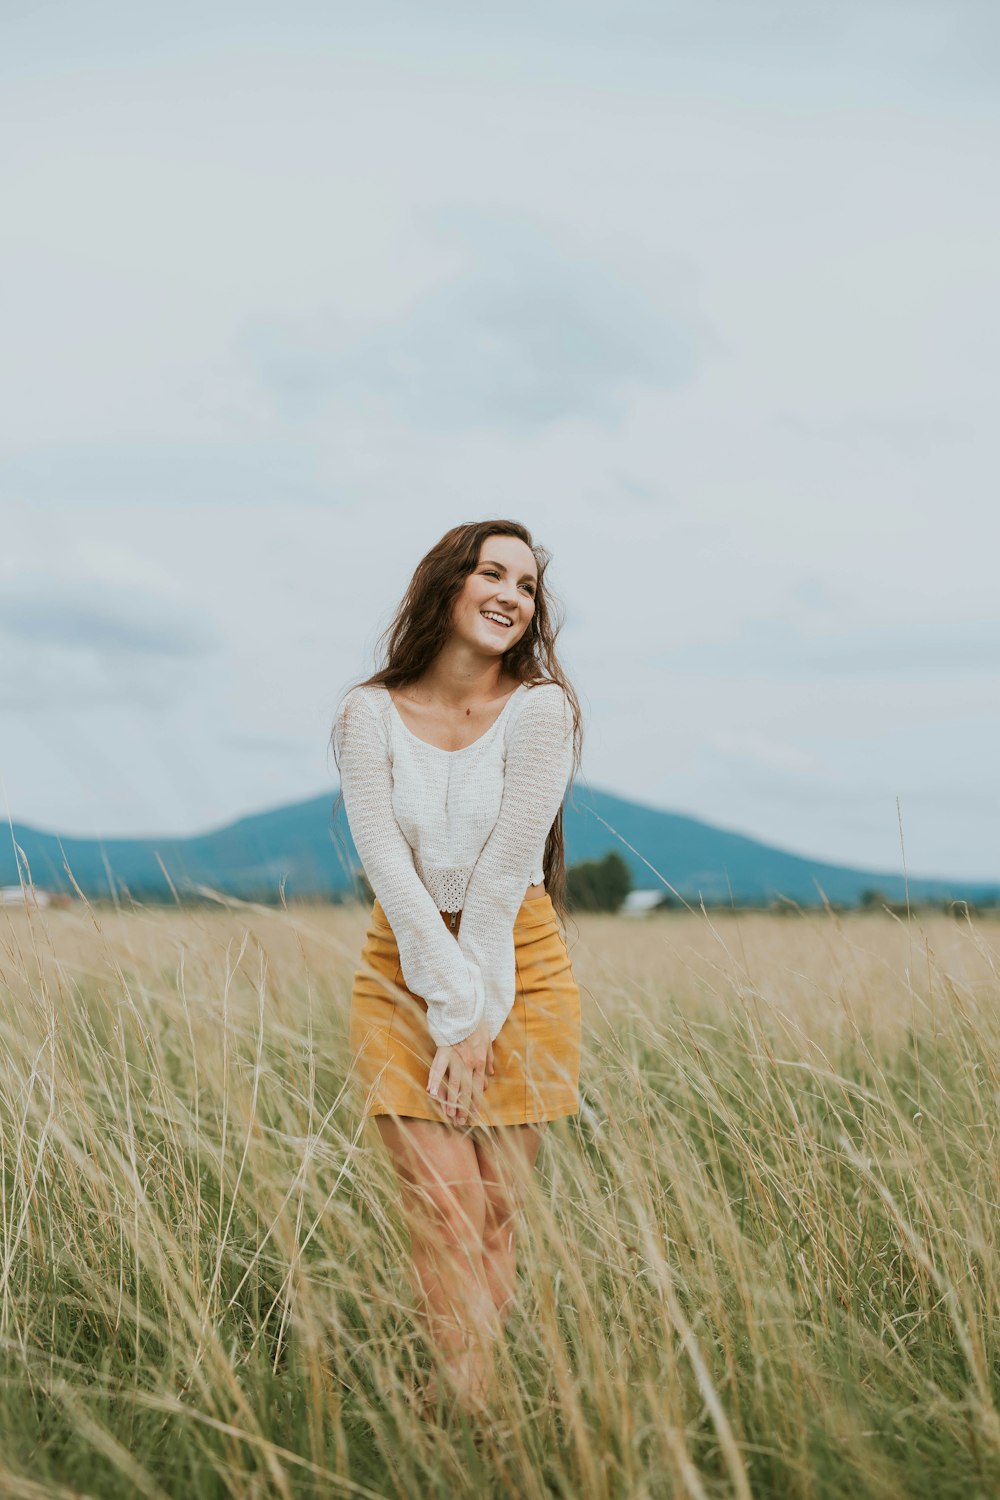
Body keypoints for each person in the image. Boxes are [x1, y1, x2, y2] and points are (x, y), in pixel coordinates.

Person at [330, 519, 584, 1423]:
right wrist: (448, 1015)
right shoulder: (367, 713)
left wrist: (475, 1023)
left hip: (520, 958)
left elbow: (502, 875)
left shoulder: (543, 710)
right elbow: (390, 874)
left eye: (527, 585)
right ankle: (467, 1421)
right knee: (445, 1209)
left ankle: (453, 1399)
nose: (511, 594)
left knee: (498, 1216)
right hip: (403, 966)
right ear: (446, 584)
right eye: (492, 572)